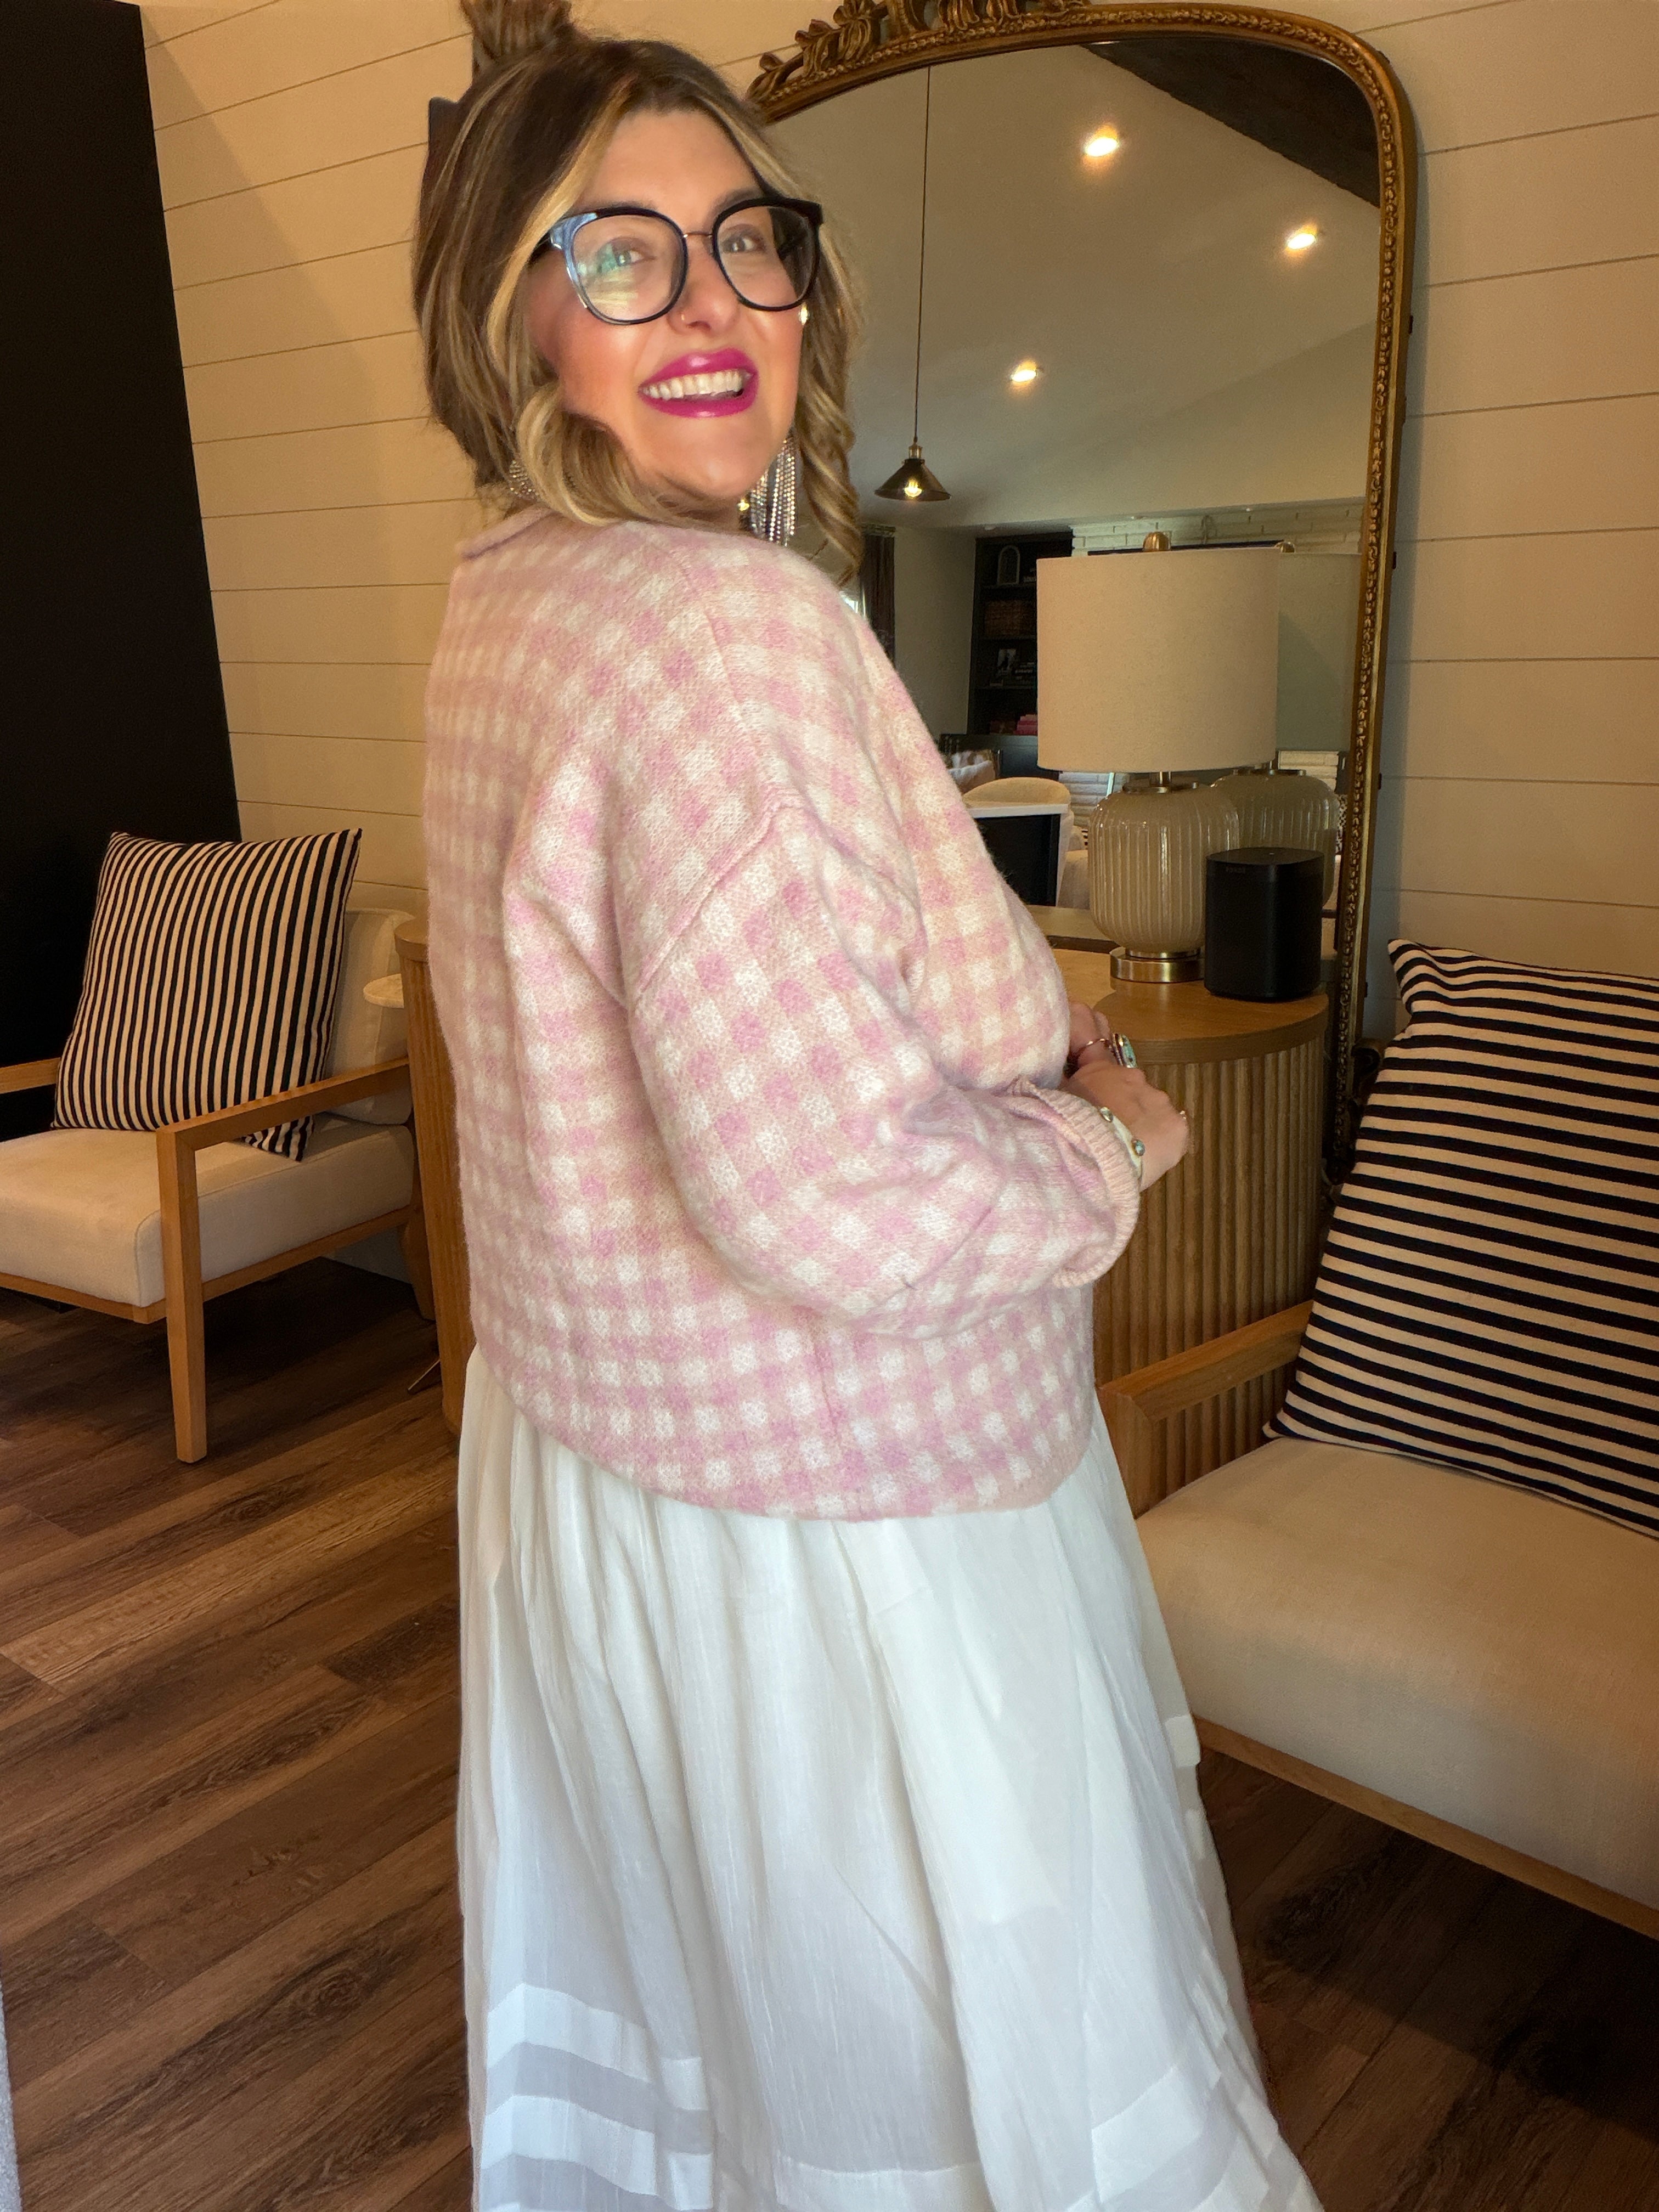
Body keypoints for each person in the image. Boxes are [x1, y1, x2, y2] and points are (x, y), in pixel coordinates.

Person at [416, 5, 1320, 2208]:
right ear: (515, 312)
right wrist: (1105, 1145)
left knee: (734, 2041)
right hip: (846, 1532)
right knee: (955, 2083)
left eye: (749, 239)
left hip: (605, 1467)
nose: (710, 304)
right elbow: (830, 1196)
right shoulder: (732, 635)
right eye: (617, 252)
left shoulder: (505, 603)